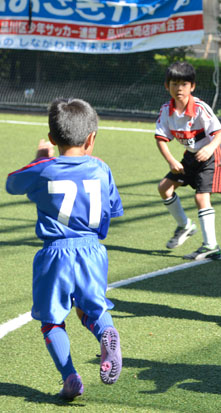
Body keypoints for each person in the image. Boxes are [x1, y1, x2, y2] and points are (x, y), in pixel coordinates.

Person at [5, 98, 123, 400]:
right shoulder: (101, 168)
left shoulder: (44, 169)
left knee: (52, 321)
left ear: (53, 138)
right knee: (92, 309)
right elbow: (113, 210)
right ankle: (106, 334)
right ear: (91, 138)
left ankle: (70, 376)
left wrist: (38, 159)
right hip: (92, 251)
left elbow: (11, 184)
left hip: (55, 253)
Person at [155, 61, 221, 260]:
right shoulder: (166, 110)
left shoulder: (200, 108)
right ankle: (185, 225)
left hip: (211, 156)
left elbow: (219, 133)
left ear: (192, 86)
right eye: (174, 84)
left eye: (184, 84)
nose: (179, 88)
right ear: (167, 86)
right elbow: (161, 138)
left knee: (201, 198)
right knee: (164, 188)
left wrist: (209, 148)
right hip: (191, 156)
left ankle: (211, 245)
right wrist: (171, 161)